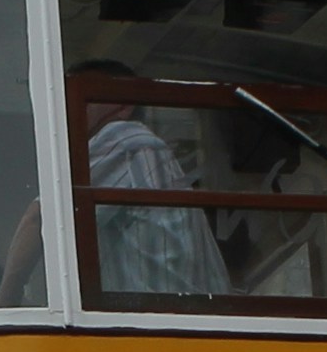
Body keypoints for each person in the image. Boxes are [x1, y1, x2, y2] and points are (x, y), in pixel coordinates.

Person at [74, 61, 229, 298]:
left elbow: (41, 220)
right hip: (191, 318)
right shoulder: (148, 150)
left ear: (124, 105)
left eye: (84, 93)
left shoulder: (124, 137)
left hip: (157, 317)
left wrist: (5, 299)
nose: (69, 106)